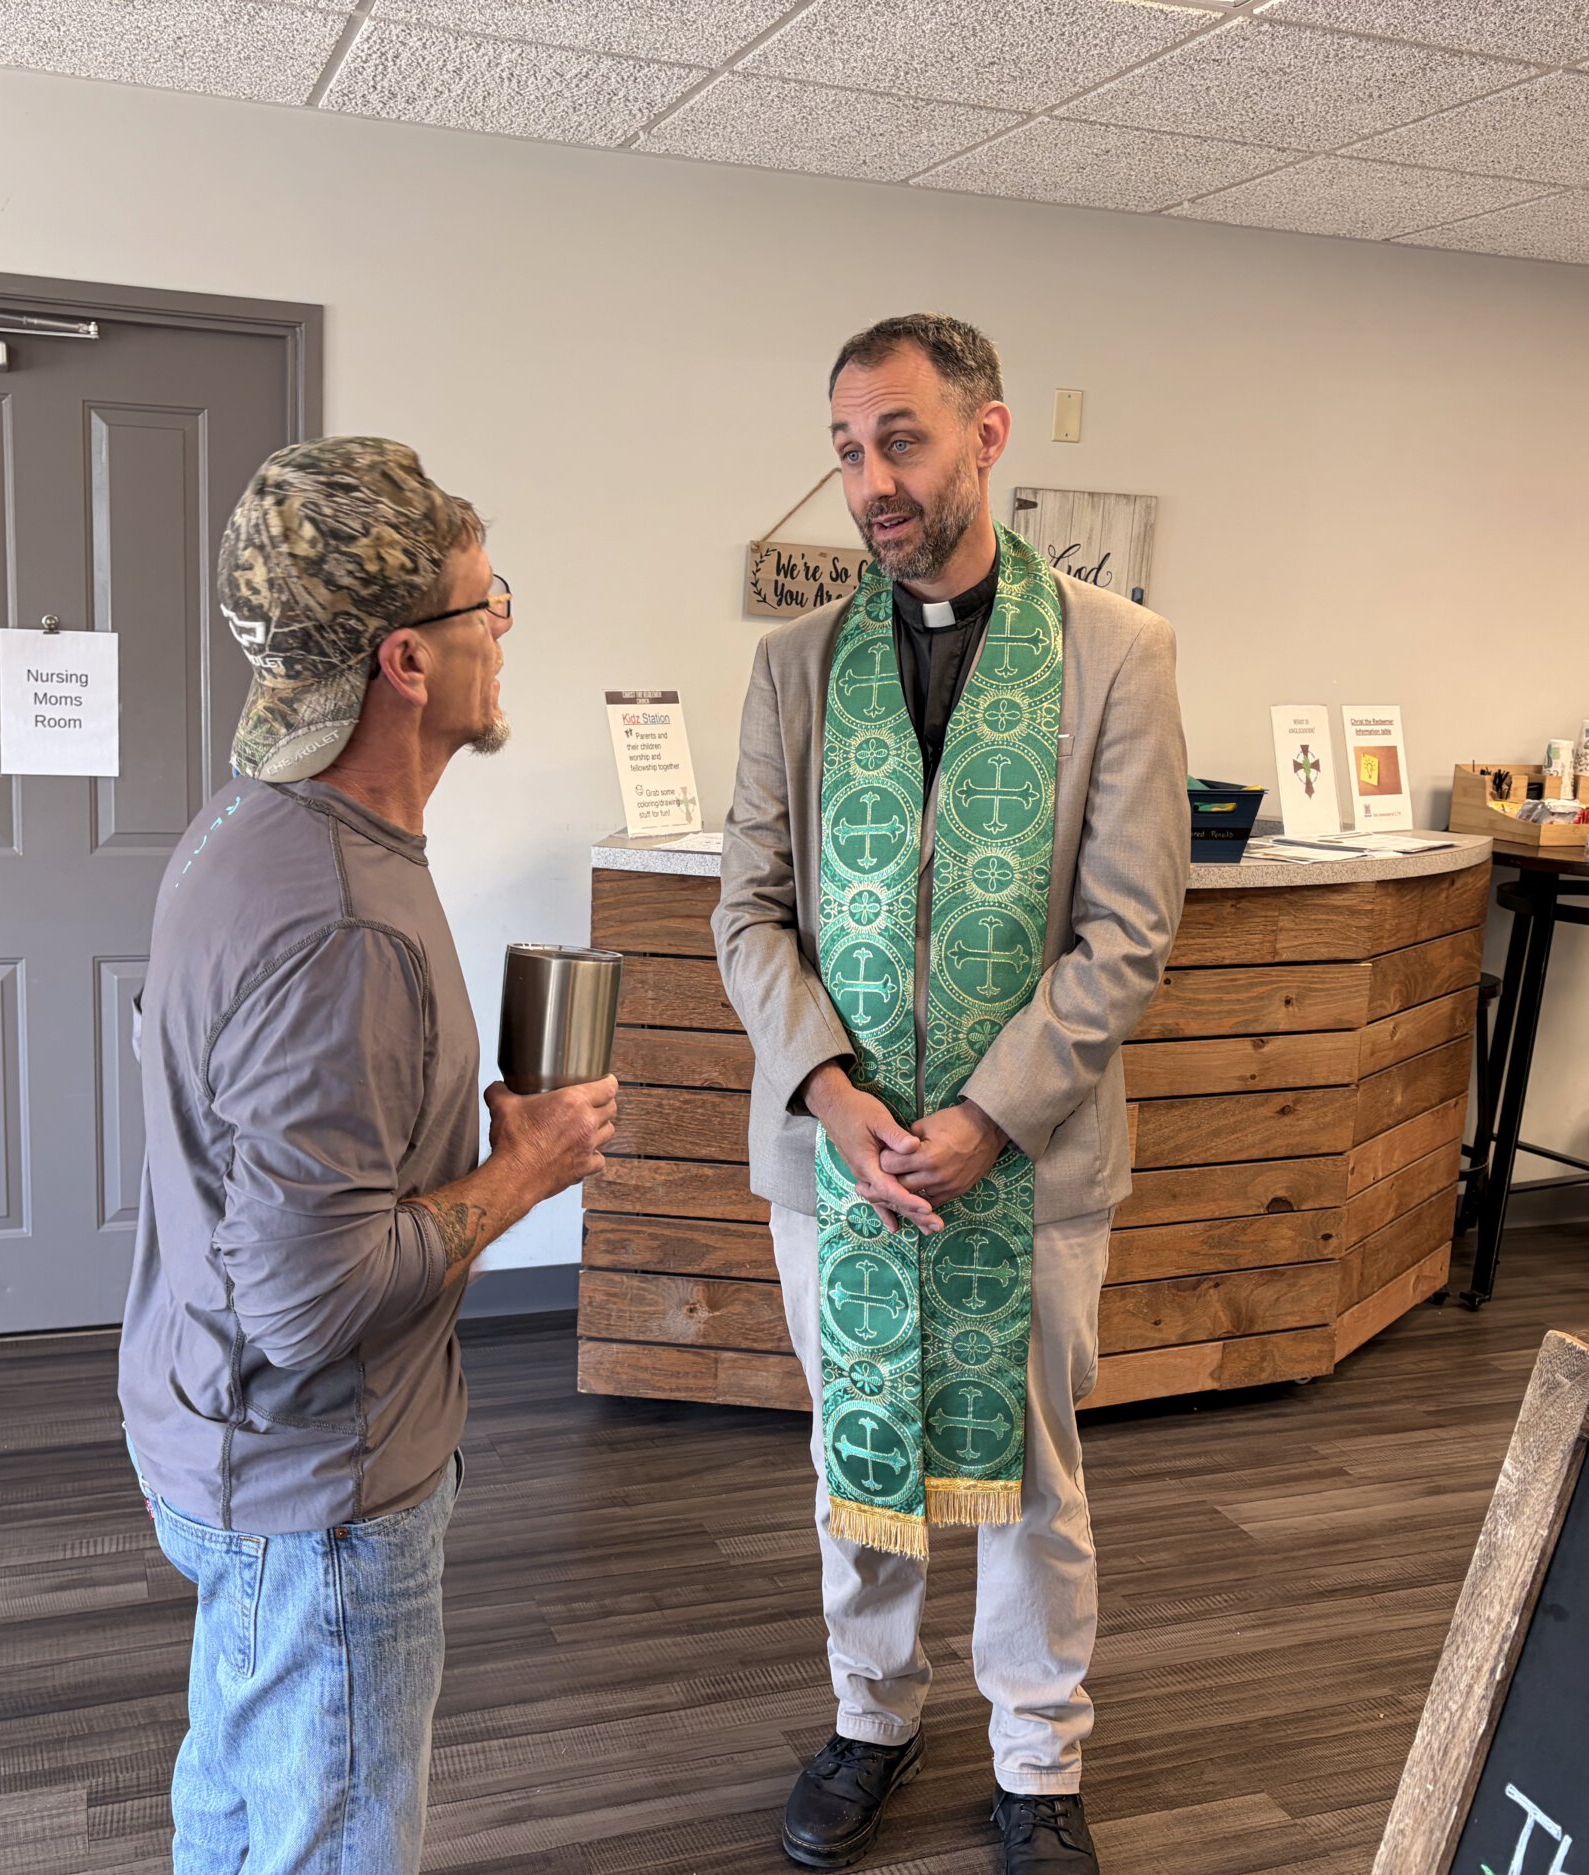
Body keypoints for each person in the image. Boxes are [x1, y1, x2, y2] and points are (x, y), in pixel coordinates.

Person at [715, 316, 1190, 1874]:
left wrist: (990, 1116)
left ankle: (1039, 1762)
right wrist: (830, 1091)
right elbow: (747, 914)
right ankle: (870, 1718)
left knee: (1034, 1471)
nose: (872, 480)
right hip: (838, 1155)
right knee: (857, 1452)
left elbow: (1130, 928)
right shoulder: (794, 667)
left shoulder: (1118, 652)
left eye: (901, 440)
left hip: (1029, 1158)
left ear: (988, 435)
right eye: (848, 448)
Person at [119, 437, 617, 1875]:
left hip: (224, 1445)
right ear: (406, 660)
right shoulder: (341, 925)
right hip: (318, 1503)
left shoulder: (245, 826)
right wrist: (527, 1169)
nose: (502, 631)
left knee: (235, 1809)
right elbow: (308, 1298)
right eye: (485, 604)